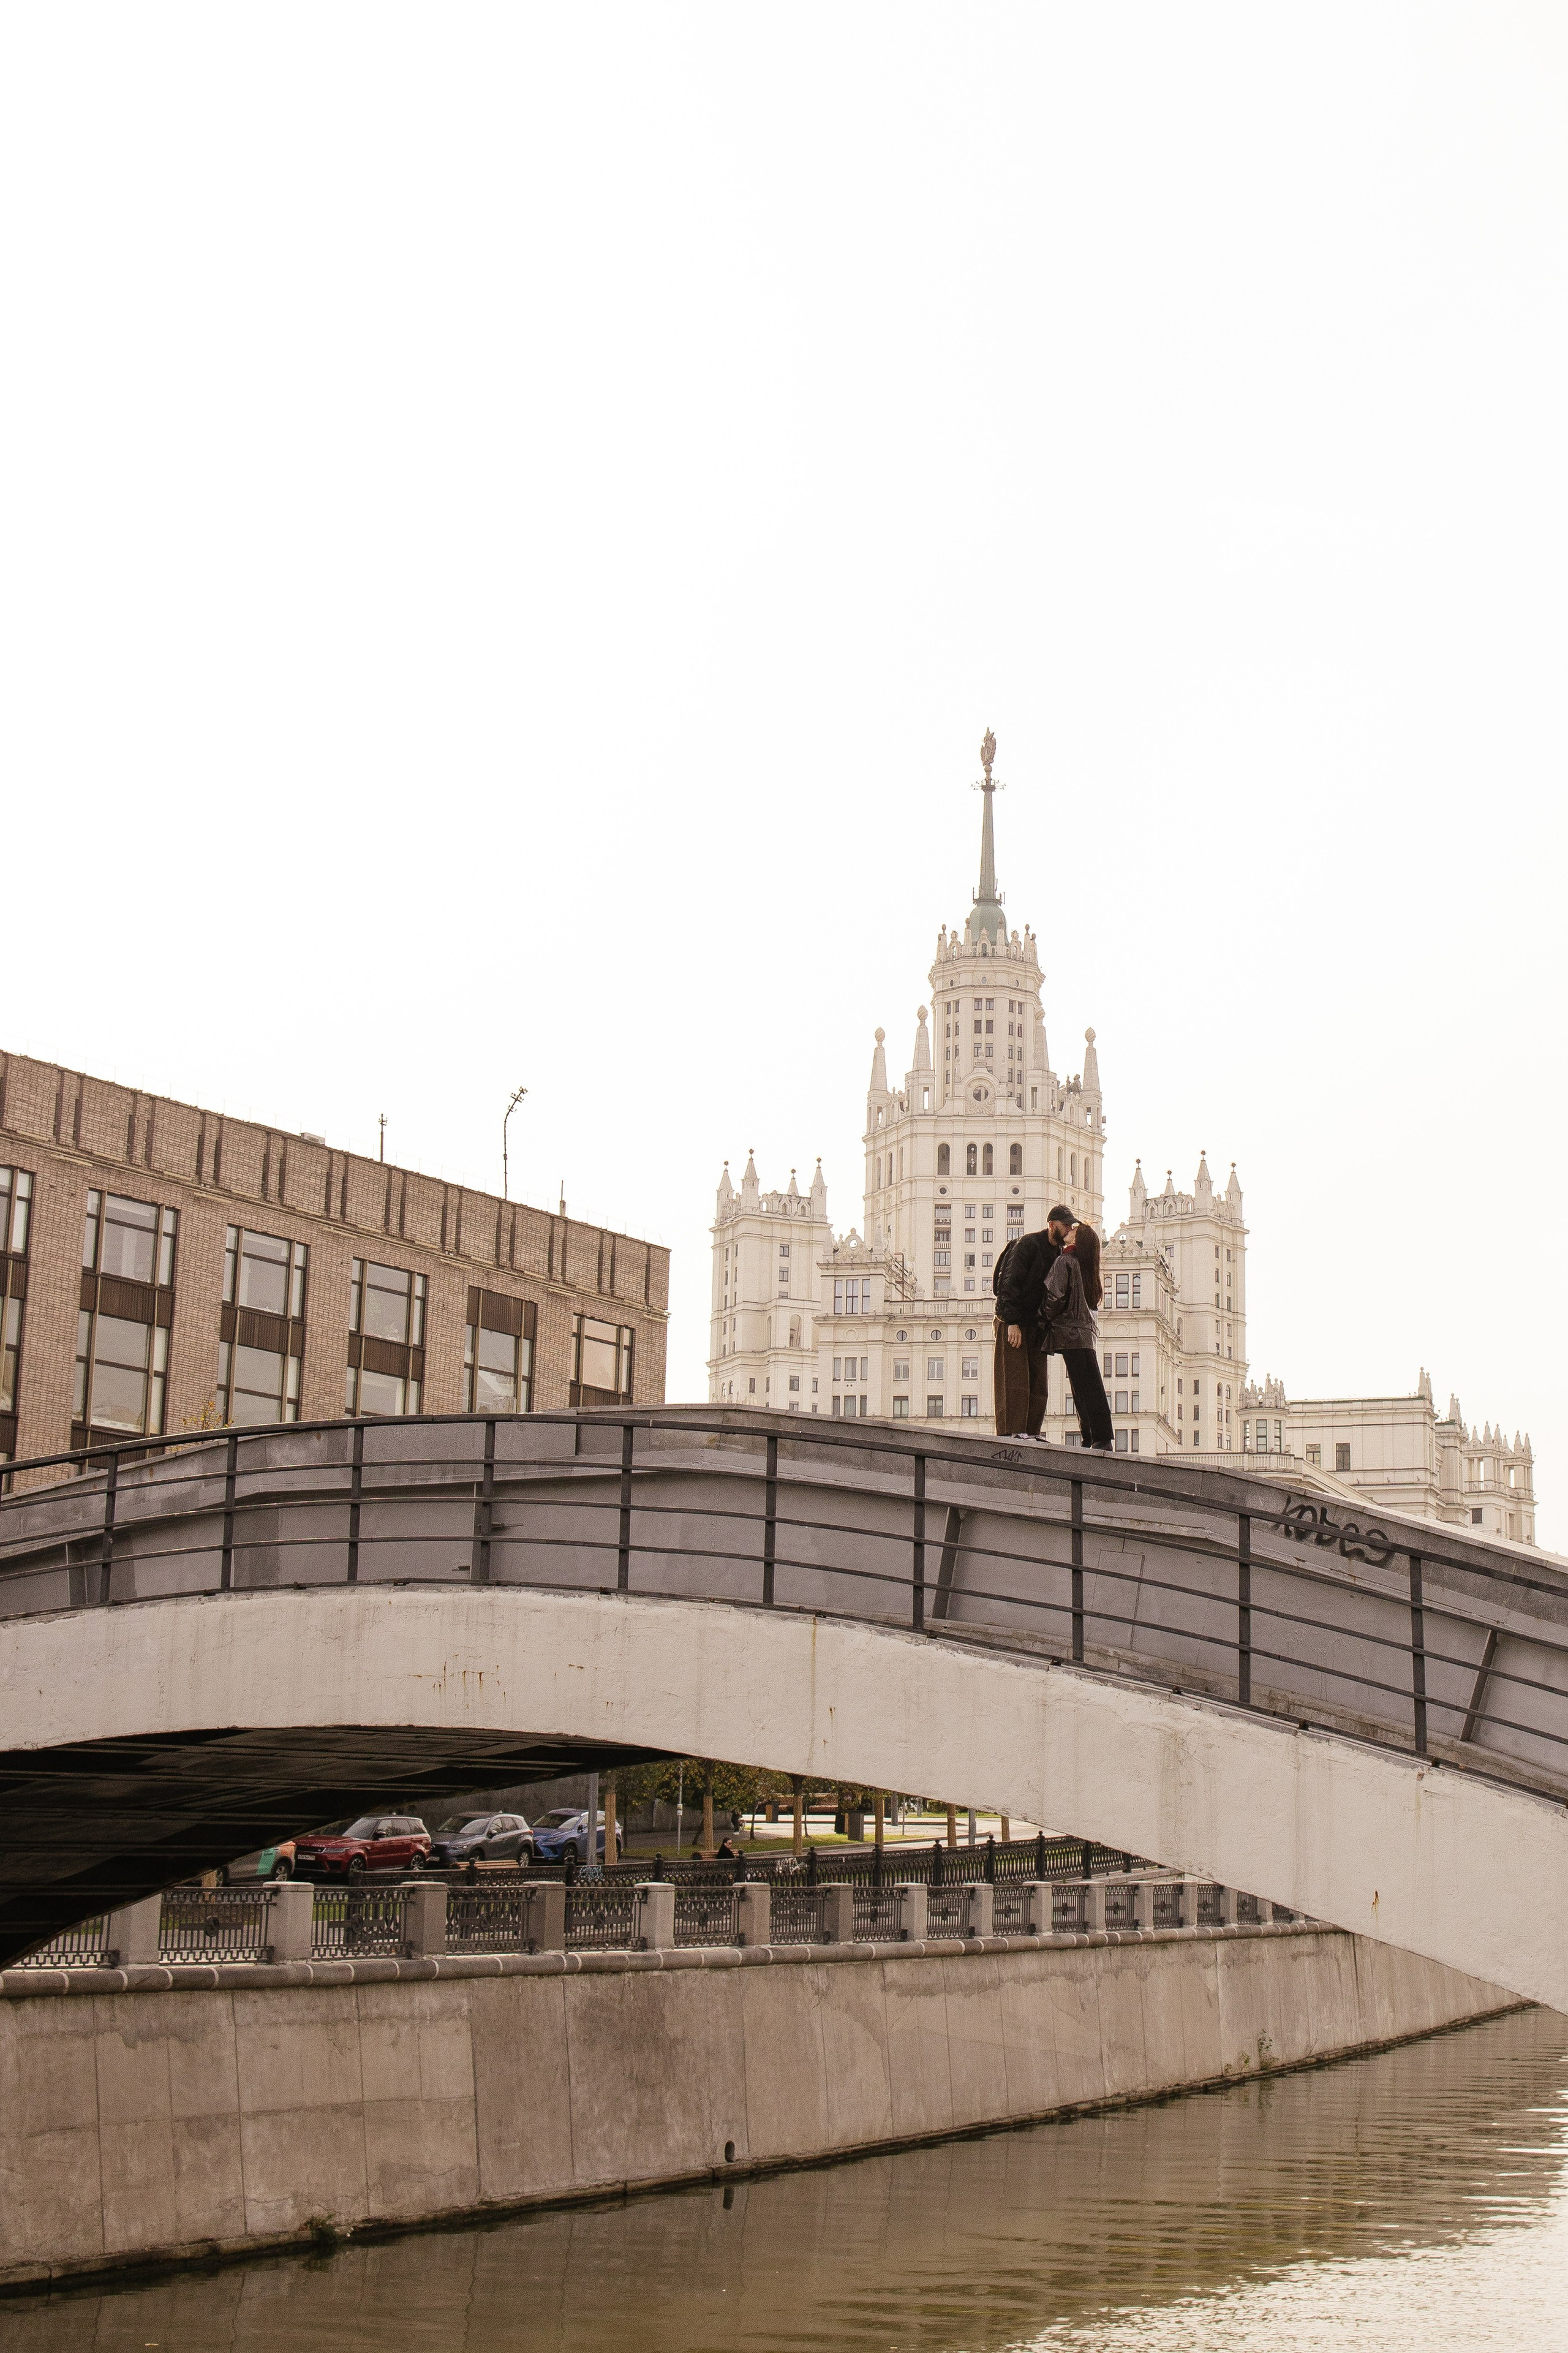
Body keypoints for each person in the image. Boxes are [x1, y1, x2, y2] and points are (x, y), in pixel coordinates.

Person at [1041, 1215, 1114, 1453]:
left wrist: (1041, 1316)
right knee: (1087, 1385)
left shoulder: (1066, 1262)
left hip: (1070, 1332)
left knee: (1084, 1387)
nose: (1070, 1231)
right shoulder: (1087, 1265)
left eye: (1075, 1230)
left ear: (1078, 1240)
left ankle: (1098, 1437)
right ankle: (1093, 1437)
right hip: (1085, 1333)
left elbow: (1055, 1296)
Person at [992, 1218, 1059, 1439]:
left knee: (1038, 1380)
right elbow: (1006, 1284)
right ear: (1052, 1225)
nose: (1069, 1229)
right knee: (1014, 1378)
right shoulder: (1027, 1244)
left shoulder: (1059, 1252)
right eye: (1065, 1225)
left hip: (1036, 1324)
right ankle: (1011, 1431)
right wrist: (1012, 1322)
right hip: (1013, 1321)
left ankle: (1032, 1431)